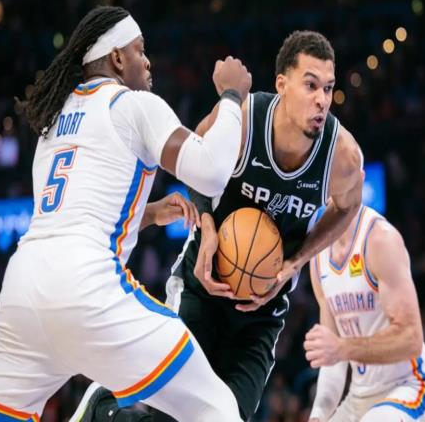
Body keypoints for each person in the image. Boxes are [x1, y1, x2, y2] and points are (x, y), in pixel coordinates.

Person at [0, 5, 252, 422]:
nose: (148, 61)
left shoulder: (52, 122)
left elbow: (75, 213)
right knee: (215, 406)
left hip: (22, 293)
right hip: (86, 291)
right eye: (140, 50)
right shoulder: (132, 104)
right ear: (117, 58)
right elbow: (211, 172)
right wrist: (232, 97)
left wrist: (149, 213)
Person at [74, 30, 364, 422]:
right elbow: (195, 149)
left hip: (262, 313)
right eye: (310, 85)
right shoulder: (246, 120)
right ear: (282, 85)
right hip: (203, 288)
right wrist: (208, 227)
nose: (322, 100)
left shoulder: (341, 156)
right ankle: (104, 409)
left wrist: (296, 262)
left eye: (328, 88)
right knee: (170, 416)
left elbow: (348, 207)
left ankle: (105, 411)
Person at [305, 204, 425, 421]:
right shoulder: (317, 257)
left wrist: (342, 348)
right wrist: (318, 416)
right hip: (359, 397)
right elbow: (333, 361)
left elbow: (411, 339)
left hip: (409, 387)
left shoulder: (379, 238)